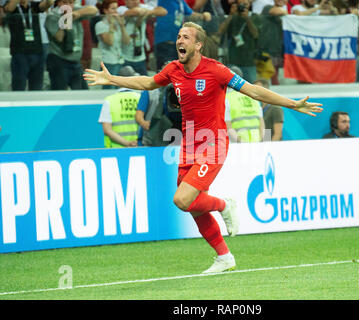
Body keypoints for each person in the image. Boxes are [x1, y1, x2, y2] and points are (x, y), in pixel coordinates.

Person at [84, 21, 323, 273]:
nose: (179, 41)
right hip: (187, 144)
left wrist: (292, 104)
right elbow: (147, 83)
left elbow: (254, 91)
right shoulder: (174, 69)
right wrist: (110, 79)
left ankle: (223, 204)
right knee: (192, 206)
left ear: (198, 45)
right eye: (178, 36)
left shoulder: (216, 70)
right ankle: (224, 257)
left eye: (186, 37)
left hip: (214, 143)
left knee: (182, 199)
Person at [45, 0, 98, 90]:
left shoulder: (74, 10)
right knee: (59, 94)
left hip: (75, 61)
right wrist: (66, 20)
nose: (68, 6)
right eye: (65, 2)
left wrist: (77, 13)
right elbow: (59, 37)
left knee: (82, 93)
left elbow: (94, 10)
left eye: (71, 2)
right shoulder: (52, 16)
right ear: (59, 3)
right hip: (59, 60)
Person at [4, 0, 53, 91]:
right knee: (19, 87)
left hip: (37, 52)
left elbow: (48, 3)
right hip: (19, 53)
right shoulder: (12, 6)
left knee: (37, 88)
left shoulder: (33, 6)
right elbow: (9, 9)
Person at [153, 0, 211, 71]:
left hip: (178, 45)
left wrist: (203, 16)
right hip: (165, 43)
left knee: (177, 73)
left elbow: (192, 15)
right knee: (165, 74)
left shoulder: (181, 2)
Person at [117, 0, 167, 75]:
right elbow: (135, 12)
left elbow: (163, 11)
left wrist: (148, 12)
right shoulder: (121, 9)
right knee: (124, 85)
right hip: (124, 57)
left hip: (140, 57)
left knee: (144, 85)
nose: (136, 2)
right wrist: (146, 11)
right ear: (126, 1)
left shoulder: (142, 7)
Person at [218, 0, 261, 83]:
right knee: (232, 86)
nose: (243, 7)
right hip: (233, 58)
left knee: (252, 86)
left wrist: (247, 18)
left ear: (249, 5)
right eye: (240, 5)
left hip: (249, 60)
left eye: (245, 4)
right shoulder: (233, 17)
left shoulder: (255, 17)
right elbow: (220, 31)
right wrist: (230, 15)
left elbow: (256, 34)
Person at [98, 66, 141, 148]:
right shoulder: (140, 98)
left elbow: (107, 130)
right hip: (139, 148)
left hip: (116, 151)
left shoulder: (109, 100)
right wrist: (135, 143)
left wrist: (127, 143)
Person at [95, 0, 131, 89]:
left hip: (120, 61)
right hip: (109, 62)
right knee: (109, 90)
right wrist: (111, 24)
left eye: (117, 8)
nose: (116, 11)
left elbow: (126, 42)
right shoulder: (100, 25)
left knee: (120, 90)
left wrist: (122, 26)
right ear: (106, 10)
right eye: (113, 8)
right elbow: (109, 42)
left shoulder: (118, 25)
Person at [225, 66, 265, 143]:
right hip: (256, 143)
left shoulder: (227, 99)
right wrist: (260, 141)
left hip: (238, 145)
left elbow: (228, 127)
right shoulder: (253, 97)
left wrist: (242, 143)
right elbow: (261, 123)